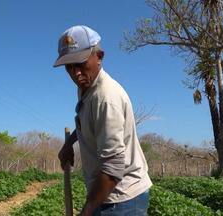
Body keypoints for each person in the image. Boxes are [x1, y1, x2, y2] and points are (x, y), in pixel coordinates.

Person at [54, 25, 152, 216]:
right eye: (69, 66)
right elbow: (89, 121)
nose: (76, 73)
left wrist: (86, 212)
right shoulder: (86, 87)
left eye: (81, 64)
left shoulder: (106, 98)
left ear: (99, 56)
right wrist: (69, 144)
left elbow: (113, 168)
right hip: (106, 195)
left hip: (122, 202)